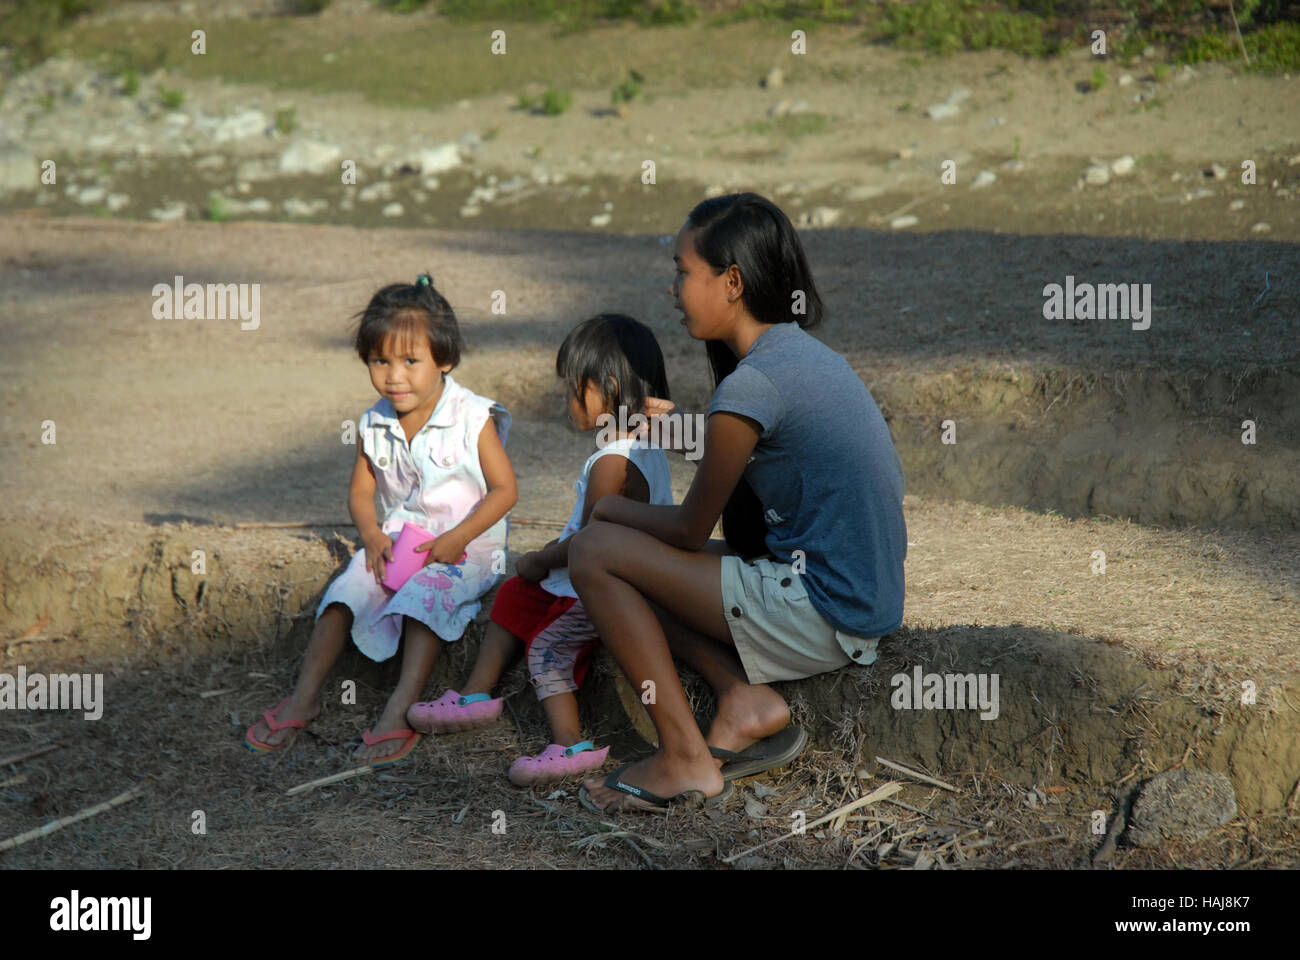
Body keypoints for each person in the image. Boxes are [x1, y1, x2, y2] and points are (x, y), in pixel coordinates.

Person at [570, 193, 907, 813]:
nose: (672, 290)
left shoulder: (750, 385)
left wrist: (609, 511)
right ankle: (743, 700)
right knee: (634, 568)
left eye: (682, 271)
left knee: (594, 553)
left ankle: (683, 760)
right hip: (856, 598)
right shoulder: (797, 357)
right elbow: (761, 455)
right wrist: (678, 431)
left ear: (731, 282)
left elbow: (691, 530)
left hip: (826, 610)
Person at [245, 273, 517, 767]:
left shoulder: (472, 418)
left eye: (411, 361)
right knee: (345, 592)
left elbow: (505, 491)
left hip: (470, 546)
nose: (394, 376)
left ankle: (398, 708)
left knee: (423, 598)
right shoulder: (374, 422)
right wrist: (371, 535)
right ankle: (303, 697)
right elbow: (361, 490)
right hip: (400, 540)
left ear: (445, 359)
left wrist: (458, 537)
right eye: (380, 361)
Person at [407, 314, 674, 787]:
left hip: (602, 589)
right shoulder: (637, 444)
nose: (564, 398)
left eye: (573, 388)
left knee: (546, 649)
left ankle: (569, 743)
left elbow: (588, 543)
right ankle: (476, 694)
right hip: (584, 576)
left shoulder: (613, 462)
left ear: (607, 388)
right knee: (514, 595)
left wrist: (539, 559)